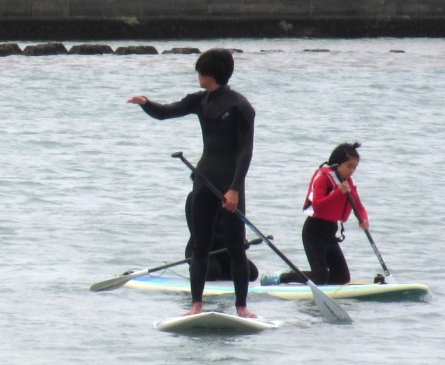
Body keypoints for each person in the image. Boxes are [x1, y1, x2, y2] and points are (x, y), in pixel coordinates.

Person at [128, 48, 257, 318]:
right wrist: (146, 103)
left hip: (229, 183)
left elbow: (245, 152)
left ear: (211, 73)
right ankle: (196, 304)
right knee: (200, 245)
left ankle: (242, 307)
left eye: (200, 70)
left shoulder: (240, 106)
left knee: (236, 247)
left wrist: (234, 188)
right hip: (203, 180)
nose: (197, 75)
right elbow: (165, 112)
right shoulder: (200, 101)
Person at [273, 142, 369, 286]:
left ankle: (317, 284)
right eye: (349, 166)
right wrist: (338, 192)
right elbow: (317, 206)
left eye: (355, 167)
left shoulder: (347, 183)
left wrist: (364, 219)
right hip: (314, 233)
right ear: (337, 164)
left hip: (330, 233)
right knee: (320, 276)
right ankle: (282, 277)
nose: (352, 171)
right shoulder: (323, 179)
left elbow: (359, 206)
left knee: (342, 278)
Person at [184, 191, 260, 282]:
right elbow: (199, 234)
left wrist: (241, 240)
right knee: (212, 272)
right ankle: (196, 270)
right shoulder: (194, 197)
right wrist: (232, 241)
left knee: (251, 274)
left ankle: (223, 273)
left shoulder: (230, 200)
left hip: (224, 249)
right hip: (200, 249)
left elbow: (238, 226)